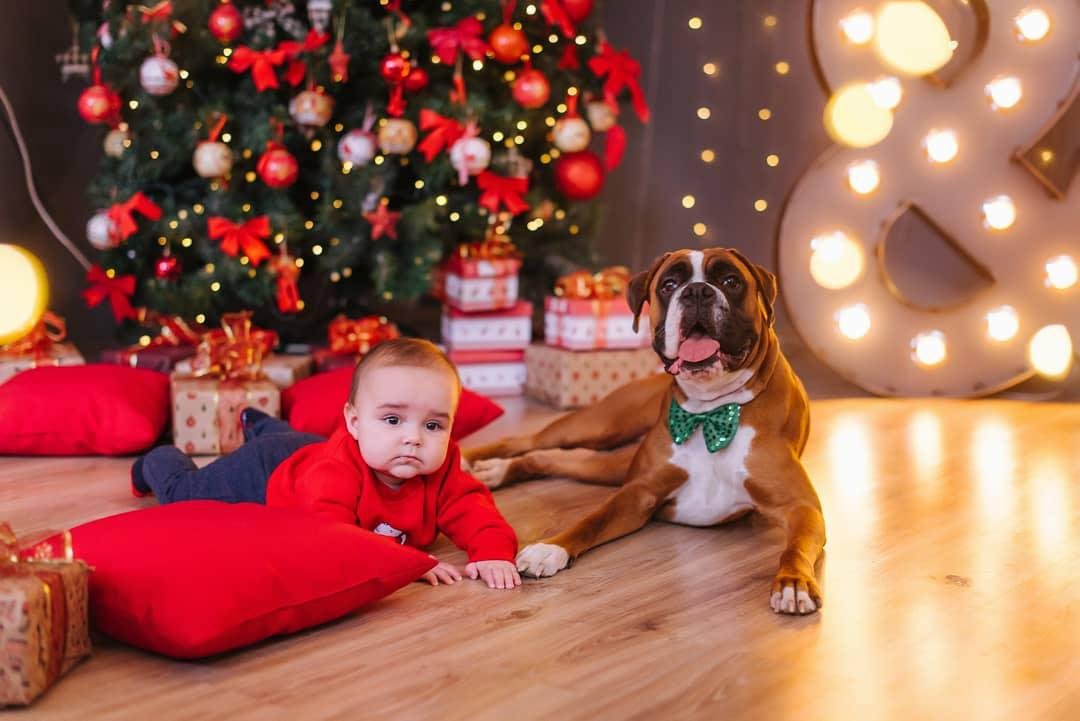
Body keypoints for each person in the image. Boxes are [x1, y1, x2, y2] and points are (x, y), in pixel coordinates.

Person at [132, 338, 521, 590]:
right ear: (354, 421)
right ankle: (158, 459)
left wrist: (492, 551)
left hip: (311, 450)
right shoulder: (335, 473)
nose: (413, 437)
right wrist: (405, 562)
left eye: (434, 424)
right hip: (267, 472)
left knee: (300, 444)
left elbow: (474, 507)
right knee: (184, 496)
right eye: (392, 419)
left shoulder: (440, 464)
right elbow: (329, 536)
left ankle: (260, 422)